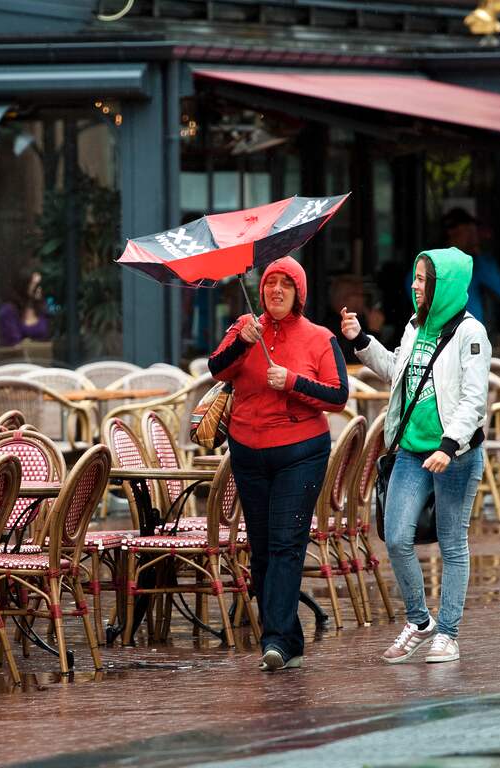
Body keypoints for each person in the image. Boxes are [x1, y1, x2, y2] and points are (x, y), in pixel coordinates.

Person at [342, 247, 489, 665]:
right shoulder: (414, 325)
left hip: (455, 455)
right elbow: (398, 372)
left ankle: (448, 633)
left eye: (423, 279)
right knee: (395, 536)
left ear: (444, 285)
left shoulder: (471, 333)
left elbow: (474, 401)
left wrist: (449, 445)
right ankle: (420, 621)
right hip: (410, 451)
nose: (415, 285)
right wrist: (361, 341)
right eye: (416, 278)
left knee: (452, 543)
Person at [208, 256, 348, 672]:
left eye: (286, 284)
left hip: (301, 452)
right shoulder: (244, 327)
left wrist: (291, 381)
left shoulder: (319, 337)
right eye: (271, 282)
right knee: (263, 550)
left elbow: (338, 396)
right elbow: (217, 369)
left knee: (286, 544)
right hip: (248, 451)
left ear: (299, 293)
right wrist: (242, 342)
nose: (276, 290)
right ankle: (291, 640)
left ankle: (274, 641)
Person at [441, 207, 500, 326]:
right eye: (467, 230)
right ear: (452, 232)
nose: (472, 235)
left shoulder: (479, 263)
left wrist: (477, 254)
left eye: (473, 231)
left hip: (476, 331)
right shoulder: (433, 260)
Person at [0, 267, 51, 347]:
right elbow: (12, 344)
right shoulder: (8, 311)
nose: (39, 289)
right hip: (17, 354)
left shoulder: (41, 309)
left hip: (41, 354)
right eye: (35, 285)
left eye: (40, 285)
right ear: (24, 286)